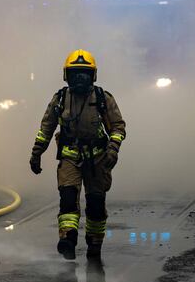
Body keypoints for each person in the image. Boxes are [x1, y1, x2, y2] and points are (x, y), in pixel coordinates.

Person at [29, 50, 126, 259]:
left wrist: (113, 149)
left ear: (93, 76)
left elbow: (117, 127)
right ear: (67, 76)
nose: (80, 79)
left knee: (96, 204)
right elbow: (46, 128)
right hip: (69, 158)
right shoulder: (60, 98)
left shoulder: (102, 98)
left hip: (98, 159)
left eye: (84, 74)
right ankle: (68, 239)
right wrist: (36, 153)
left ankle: (94, 244)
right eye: (75, 74)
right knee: (68, 198)